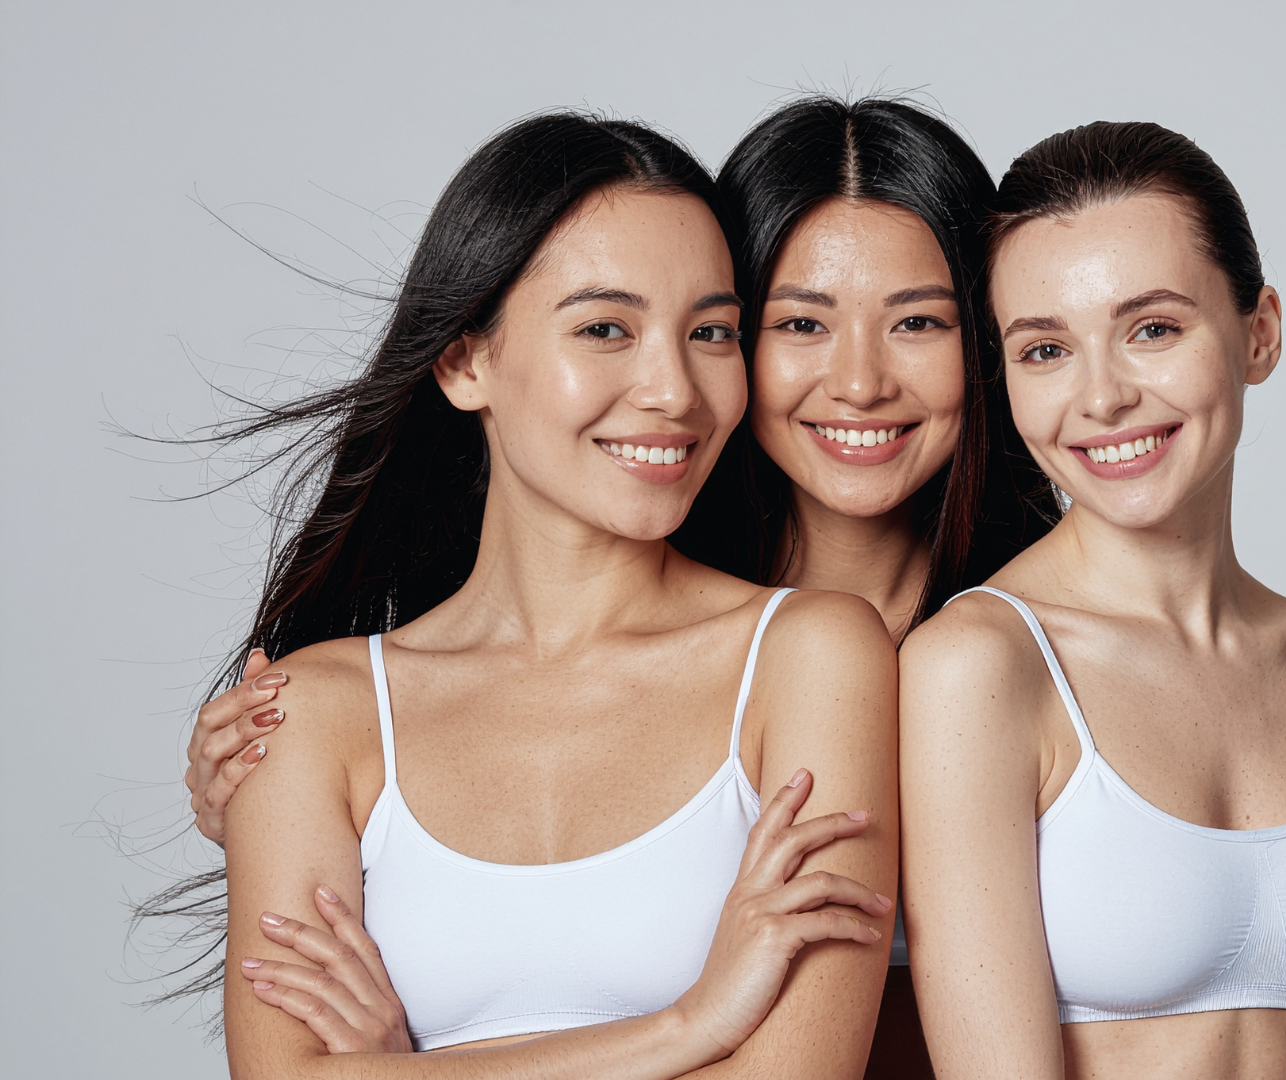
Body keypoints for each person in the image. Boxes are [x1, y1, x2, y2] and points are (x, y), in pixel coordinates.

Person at [176, 98, 1286, 1076]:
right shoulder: (794, 661)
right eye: (791, 322)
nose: (858, 382)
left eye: (918, 320)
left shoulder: (982, 643)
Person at [217, 112, 897, 1078]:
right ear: (464, 361)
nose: (674, 390)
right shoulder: (309, 713)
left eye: (711, 332)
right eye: (605, 329)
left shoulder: (812, 656)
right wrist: (689, 1027)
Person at [901, 121, 1286, 1079]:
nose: (1101, 398)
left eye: (1151, 329)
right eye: (1045, 349)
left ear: (1258, 332)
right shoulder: (980, 667)